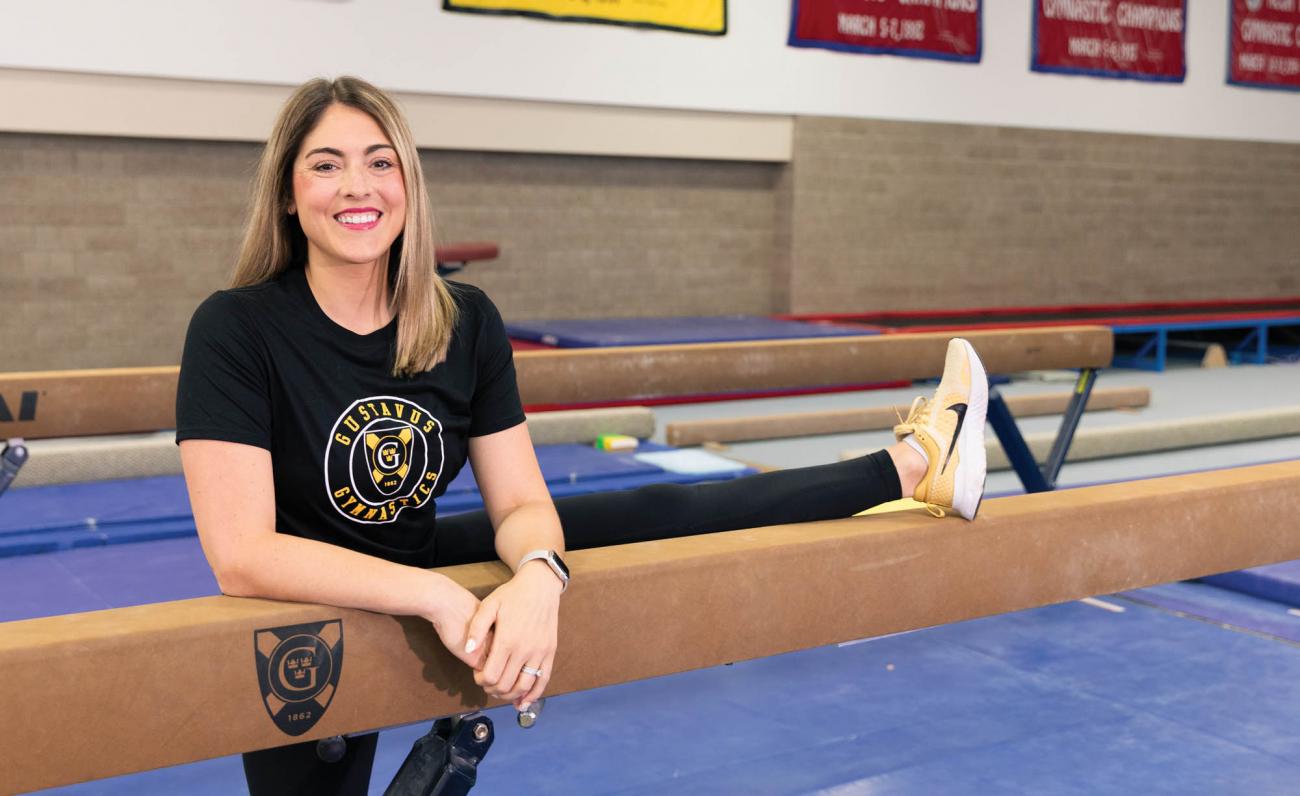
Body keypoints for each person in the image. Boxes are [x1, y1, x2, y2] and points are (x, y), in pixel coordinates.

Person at [176, 76, 988, 796]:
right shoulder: (238, 329)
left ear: (410, 186)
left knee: (672, 512)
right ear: (287, 192)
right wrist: (434, 596)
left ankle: (916, 463)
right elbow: (243, 553)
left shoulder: (464, 323)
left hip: (422, 557)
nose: (359, 185)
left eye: (381, 161)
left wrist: (536, 570)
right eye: (327, 163)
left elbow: (523, 498)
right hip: (306, 604)